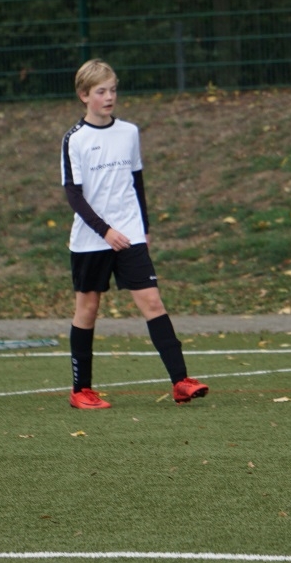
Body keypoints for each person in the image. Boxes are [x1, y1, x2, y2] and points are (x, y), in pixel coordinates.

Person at [60, 59, 208, 409]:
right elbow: (73, 195)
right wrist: (105, 231)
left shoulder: (129, 132)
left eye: (112, 90)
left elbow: (137, 183)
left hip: (129, 235)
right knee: (87, 309)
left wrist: (144, 228)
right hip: (91, 239)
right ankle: (81, 390)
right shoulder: (74, 139)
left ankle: (180, 381)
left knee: (152, 302)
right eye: (101, 91)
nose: (109, 97)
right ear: (84, 95)